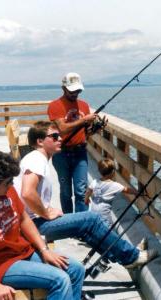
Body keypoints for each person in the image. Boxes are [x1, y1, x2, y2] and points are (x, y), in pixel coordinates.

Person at [13, 121, 157, 270]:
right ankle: (132, 257)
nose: (60, 139)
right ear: (40, 141)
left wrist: (47, 210)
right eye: (54, 136)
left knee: (87, 227)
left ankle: (127, 254)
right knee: (91, 219)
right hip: (31, 227)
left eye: (60, 136)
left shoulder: (36, 158)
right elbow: (27, 193)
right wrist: (46, 213)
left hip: (29, 224)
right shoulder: (36, 159)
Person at [0, 150, 84, 300]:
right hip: (0, 265)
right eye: (7, 182)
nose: (12, 185)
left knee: (76, 270)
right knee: (60, 279)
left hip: (24, 251)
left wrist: (44, 250)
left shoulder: (8, 191)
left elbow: (24, 219)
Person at [47, 72, 97, 213]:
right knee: (66, 192)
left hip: (80, 152)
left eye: (78, 90)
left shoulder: (84, 105)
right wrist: (83, 120)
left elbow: (87, 131)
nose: (76, 93)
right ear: (64, 88)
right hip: (61, 153)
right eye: (72, 90)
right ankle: (69, 222)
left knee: (81, 191)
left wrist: (94, 128)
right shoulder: (55, 106)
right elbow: (62, 129)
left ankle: (81, 223)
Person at [85, 158, 137, 228]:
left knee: (95, 228)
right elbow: (127, 190)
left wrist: (86, 199)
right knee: (108, 229)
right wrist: (137, 192)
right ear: (113, 172)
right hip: (104, 215)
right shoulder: (115, 185)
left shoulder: (95, 182)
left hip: (93, 212)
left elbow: (88, 191)